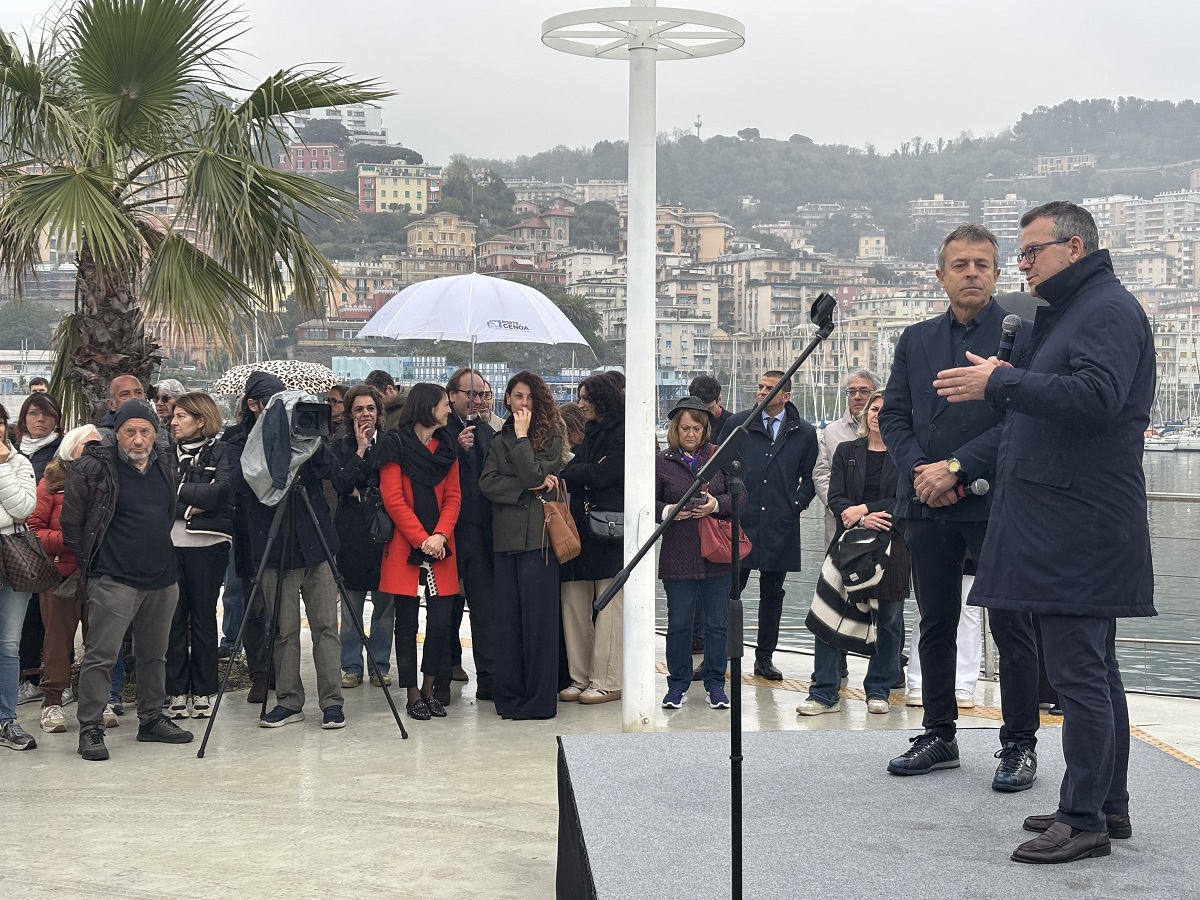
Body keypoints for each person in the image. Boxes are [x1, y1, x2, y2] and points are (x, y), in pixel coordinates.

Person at [934, 201, 1156, 863]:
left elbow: (1097, 396)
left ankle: (1083, 818)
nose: (1022, 264)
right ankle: (1105, 804)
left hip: (1078, 527)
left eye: (1032, 251)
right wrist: (1009, 380)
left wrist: (1002, 380)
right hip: (1070, 521)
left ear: (1075, 248)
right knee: (1094, 672)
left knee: (1079, 675)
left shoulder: (1106, 310)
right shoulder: (1076, 310)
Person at [879, 222, 1041, 791]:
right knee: (935, 621)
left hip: (997, 501)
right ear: (940, 275)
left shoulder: (1025, 335)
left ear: (997, 273)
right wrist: (922, 471)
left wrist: (956, 467)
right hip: (926, 500)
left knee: (1012, 625)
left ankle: (1018, 743)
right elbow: (893, 415)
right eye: (960, 264)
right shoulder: (915, 339)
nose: (971, 273)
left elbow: (1022, 417)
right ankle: (938, 733)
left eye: (981, 264)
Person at [63, 399, 193, 760]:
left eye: (145, 431)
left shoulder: (164, 462)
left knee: (154, 655)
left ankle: (151, 719)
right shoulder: (93, 467)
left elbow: (166, 514)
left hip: (161, 576)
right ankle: (91, 727)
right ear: (116, 434)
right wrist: (95, 567)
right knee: (101, 656)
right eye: (130, 431)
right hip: (114, 578)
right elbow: (72, 524)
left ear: (155, 434)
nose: (138, 439)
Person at [231, 372, 344, 730]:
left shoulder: (305, 436)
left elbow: (334, 472)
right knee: (284, 630)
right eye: (273, 405)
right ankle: (289, 701)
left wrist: (312, 442)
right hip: (274, 546)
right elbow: (238, 486)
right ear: (254, 406)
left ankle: (332, 703)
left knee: (326, 626)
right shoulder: (239, 441)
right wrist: (270, 445)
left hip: (316, 543)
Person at [799, 390, 909, 716]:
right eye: (874, 409)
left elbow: (907, 500)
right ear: (865, 414)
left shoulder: (906, 455)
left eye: (885, 410)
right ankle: (824, 693)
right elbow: (835, 497)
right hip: (847, 543)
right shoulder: (847, 451)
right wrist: (861, 517)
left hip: (892, 545)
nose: (877, 415)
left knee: (888, 621)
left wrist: (865, 509)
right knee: (827, 614)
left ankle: (878, 690)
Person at [717, 370, 818, 681]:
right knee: (729, 591)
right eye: (759, 386)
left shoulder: (803, 432)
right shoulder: (739, 424)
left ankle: (764, 658)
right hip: (740, 521)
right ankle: (719, 655)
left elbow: (811, 477)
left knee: (773, 594)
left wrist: (795, 504)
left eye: (769, 388)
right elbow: (719, 466)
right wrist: (729, 503)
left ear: (785, 396)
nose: (761, 392)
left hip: (780, 523)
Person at [479, 372, 565, 720]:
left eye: (529, 397)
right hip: (506, 537)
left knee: (539, 622)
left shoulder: (553, 434)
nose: (523, 403)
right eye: (517, 396)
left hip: (540, 539)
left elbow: (534, 474)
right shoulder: (497, 437)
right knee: (509, 621)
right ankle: (510, 697)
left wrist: (522, 438)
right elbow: (487, 483)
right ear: (508, 399)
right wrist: (523, 488)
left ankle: (540, 701)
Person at [377, 383, 461, 720]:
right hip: (406, 546)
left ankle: (429, 687)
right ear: (427, 407)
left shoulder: (446, 446)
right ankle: (411, 692)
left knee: (440, 621)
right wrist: (422, 539)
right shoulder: (394, 443)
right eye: (444, 404)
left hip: (441, 548)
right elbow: (393, 499)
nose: (449, 410)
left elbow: (454, 496)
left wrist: (440, 535)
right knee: (406, 623)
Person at [656, 396, 735, 710]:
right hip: (678, 553)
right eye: (685, 428)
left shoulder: (719, 456)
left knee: (718, 625)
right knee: (679, 624)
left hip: (716, 554)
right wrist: (670, 511)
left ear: (705, 430)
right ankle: (677, 685)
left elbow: (741, 496)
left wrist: (715, 505)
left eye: (697, 428)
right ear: (676, 429)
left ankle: (716, 684)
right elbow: (648, 502)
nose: (691, 434)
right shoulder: (662, 461)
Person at [30, 426, 105, 735]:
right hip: (59, 575)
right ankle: (52, 702)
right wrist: (68, 540)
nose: (94, 450)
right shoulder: (51, 482)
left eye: (98, 445)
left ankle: (98, 703)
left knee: (99, 640)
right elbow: (34, 529)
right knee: (57, 641)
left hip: (99, 572)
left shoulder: (109, 481)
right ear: (70, 448)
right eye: (87, 445)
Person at [163, 392, 233, 720]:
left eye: (181, 416)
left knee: (204, 617)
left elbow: (220, 493)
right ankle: (176, 690)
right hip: (169, 544)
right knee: (174, 619)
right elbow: (157, 496)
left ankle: (204, 689)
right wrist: (192, 503)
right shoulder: (164, 454)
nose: (173, 422)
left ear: (201, 420)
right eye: (173, 416)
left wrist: (177, 489)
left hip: (209, 544)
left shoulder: (222, 450)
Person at [559, 373, 626, 705]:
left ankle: (607, 679)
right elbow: (584, 472)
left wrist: (578, 471)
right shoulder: (593, 431)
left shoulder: (623, 432)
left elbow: (603, 474)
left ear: (602, 399)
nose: (581, 404)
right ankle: (580, 676)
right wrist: (583, 472)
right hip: (581, 529)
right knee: (573, 601)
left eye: (586, 398)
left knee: (610, 606)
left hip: (608, 531)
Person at [329, 385, 395, 690]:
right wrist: (359, 449)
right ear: (349, 414)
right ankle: (351, 666)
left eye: (370, 408)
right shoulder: (340, 446)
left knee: (384, 607)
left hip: (384, 533)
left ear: (378, 412)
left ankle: (380, 665)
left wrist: (364, 493)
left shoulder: (391, 443)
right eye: (359, 409)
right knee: (351, 607)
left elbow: (390, 487)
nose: (365, 414)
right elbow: (341, 485)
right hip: (350, 534)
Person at [443, 368, 497, 701]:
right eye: (471, 394)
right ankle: (446, 665)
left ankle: (488, 675)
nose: (477, 400)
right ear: (452, 396)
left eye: (483, 394)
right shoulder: (442, 430)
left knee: (484, 604)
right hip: (448, 529)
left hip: (481, 528)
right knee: (446, 603)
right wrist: (457, 449)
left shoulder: (488, 430)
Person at [14, 392, 65, 706]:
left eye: (47, 414)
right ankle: (27, 676)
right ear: (23, 419)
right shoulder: (12, 450)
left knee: (53, 617)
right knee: (24, 614)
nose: (40, 419)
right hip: (16, 544)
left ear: (57, 419)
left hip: (51, 545)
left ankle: (55, 681)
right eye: (33, 413)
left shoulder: (62, 451)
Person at [0, 403, 39, 751]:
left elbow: (24, 509)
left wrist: (1, 467)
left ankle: (6, 720)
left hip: (12, 558)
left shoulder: (19, 463)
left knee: (9, 645)